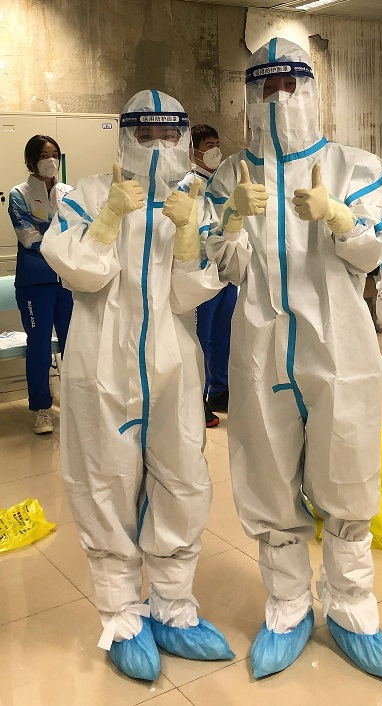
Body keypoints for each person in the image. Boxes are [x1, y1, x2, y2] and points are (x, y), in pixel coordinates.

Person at [205, 38, 382, 681]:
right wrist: (229, 219)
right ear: (249, 94)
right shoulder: (231, 175)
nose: (278, 97)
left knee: (348, 470)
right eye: (265, 86)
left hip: (340, 347)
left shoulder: (356, 165)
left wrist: (339, 217)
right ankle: (288, 608)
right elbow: (226, 268)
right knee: (266, 473)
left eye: (290, 84)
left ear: (312, 90)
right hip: (260, 350)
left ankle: (351, 610)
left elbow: (373, 252)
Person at [41, 90, 233, 682]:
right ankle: (122, 616)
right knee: (104, 482)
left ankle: (173, 606)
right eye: (143, 136)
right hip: (102, 364)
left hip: (173, 365)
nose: (155, 148)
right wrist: (107, 219)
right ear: (124, 136)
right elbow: (78, 271)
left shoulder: (194, 200)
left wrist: (187, 234)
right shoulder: (85, 194)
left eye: (167, 137)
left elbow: (191, 293)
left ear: (182, 140)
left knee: (182, 478)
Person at [8, 135, 73, 433]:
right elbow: (28, 237)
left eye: (55, 154)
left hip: (68, 279)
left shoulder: (68, 192)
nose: (51, 160)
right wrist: (57, 230)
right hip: (35, 282)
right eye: (45, 155)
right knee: (39, 345)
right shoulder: (18, 194)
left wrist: (45, 227)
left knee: (75, 343)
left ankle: (77, 403)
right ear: (30, 161)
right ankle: (41, 408)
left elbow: (78, 231)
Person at [179, 125, 237, 427]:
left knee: (223, 334)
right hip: (201, 272)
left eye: (217, 143)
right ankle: (197, 399)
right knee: (200, 338)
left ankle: (219, 389)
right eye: (208, 145)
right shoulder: (187, 185)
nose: (215, 150)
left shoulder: (224, 181)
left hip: (225, 270)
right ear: (193, 152)